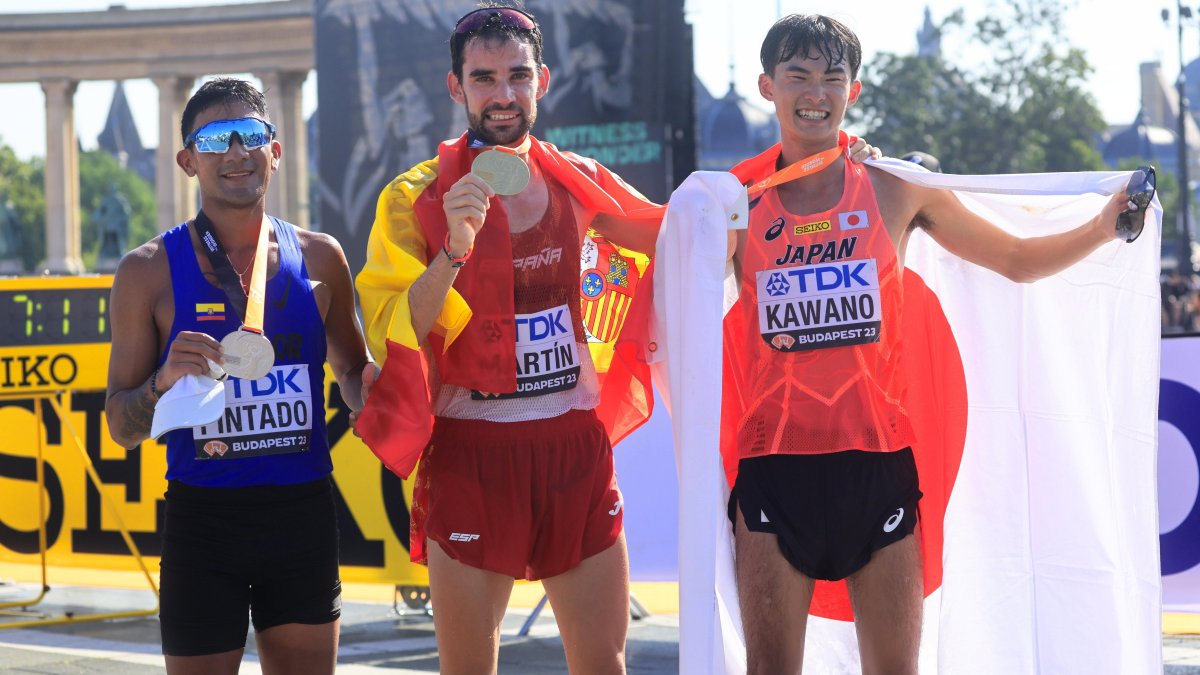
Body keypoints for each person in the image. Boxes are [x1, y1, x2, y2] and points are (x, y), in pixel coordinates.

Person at [722, 15, 1141, 674]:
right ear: (766, 87)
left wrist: (1104, 227)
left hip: (880, 468)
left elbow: (1014, 257)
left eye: (833, 77)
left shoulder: (894, 187)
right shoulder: (733, 203)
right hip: (774, 469)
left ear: (852, 92)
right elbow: (661, 260)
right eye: (798, 75)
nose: (816, 92)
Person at [353, 7, 665, 674]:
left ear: (542, 81)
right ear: (456, 87)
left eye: (517, 76)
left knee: (604, 664)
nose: (502, 94)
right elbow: (393, 329)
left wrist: (819, 162)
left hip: (573, 443)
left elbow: (680, 235)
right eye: (484, 77)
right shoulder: (415, 196)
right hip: (472, 451)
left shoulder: (578, 181)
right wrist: (454, 252)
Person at [104, 78, 374, 675]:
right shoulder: (146, 272)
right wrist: (159, 384)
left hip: (300, 515)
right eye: (215, 139)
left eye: (251, 135)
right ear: (187, 160)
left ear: (275, 150)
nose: (236, 152)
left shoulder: (322, 255)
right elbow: (121, 427)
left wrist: (376, 391)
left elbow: (353, 370)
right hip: (204, 523)